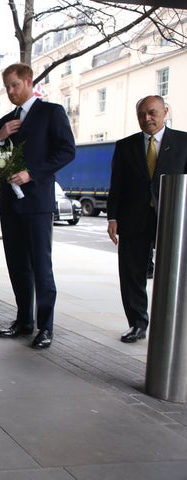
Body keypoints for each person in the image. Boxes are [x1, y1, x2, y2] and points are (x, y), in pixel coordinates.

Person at [0, 63, 75, 349]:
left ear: (28, 82)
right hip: (10, 204)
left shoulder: (51, 112)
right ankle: (24, 320)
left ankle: (46, 326)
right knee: (17, 265)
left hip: (37, 202)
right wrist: (0, 138)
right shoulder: (4, 120)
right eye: (7, 87)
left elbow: (67, 151)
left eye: (15, 85)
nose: (11, 91)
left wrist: (33, 173)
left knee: (41, 266)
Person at [107, 95, 187, 343]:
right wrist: (112, 217)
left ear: (165, 111)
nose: (147, 118)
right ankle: (137, 323)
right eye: (141, 114)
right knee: (131, 273)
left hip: (172, 218)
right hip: (133, 219)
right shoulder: (125, 146)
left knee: (174, 274)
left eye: (152, 112)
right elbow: (117, 184)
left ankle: (172, 324)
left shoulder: (184, 142)